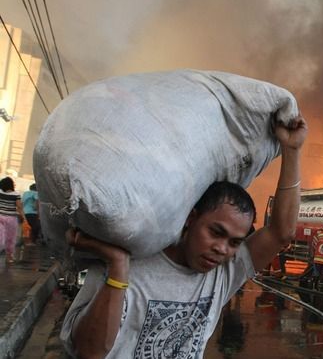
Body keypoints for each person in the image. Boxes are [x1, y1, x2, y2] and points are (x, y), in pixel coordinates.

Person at [60, 116, 307, 358]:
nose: (222, 249)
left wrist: (292, 150)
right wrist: (117, 267)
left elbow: (280, 233)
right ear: (191, 217)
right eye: (216, 232)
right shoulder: (129, 258)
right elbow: (90, 350)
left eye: (234, 242)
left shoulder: (223, 274)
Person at [0, 176, 28, 264]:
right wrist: (24, 218)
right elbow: (19, 207)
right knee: (10, 238)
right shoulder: (16, 194)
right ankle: (9, 258)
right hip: (11, 219)